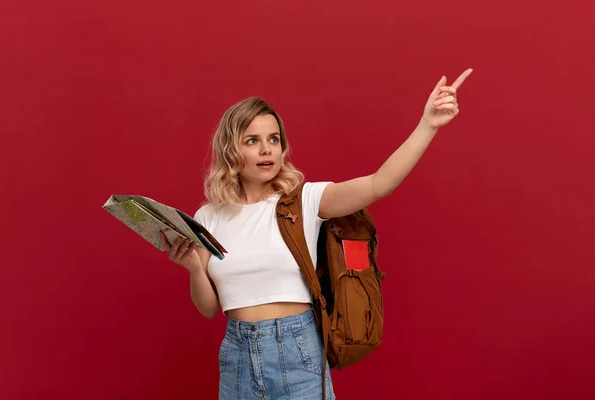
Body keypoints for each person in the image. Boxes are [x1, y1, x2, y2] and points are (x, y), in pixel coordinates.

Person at [161, 68, 473, 399]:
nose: (267, 150)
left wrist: (428, 125)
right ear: (231, 151)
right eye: (252, 141)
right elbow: (209, 308)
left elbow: (379, 184)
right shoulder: (208, 217)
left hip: (296, 349)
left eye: (274, 139)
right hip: (237, 355)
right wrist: (195, 268)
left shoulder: (305, 201)